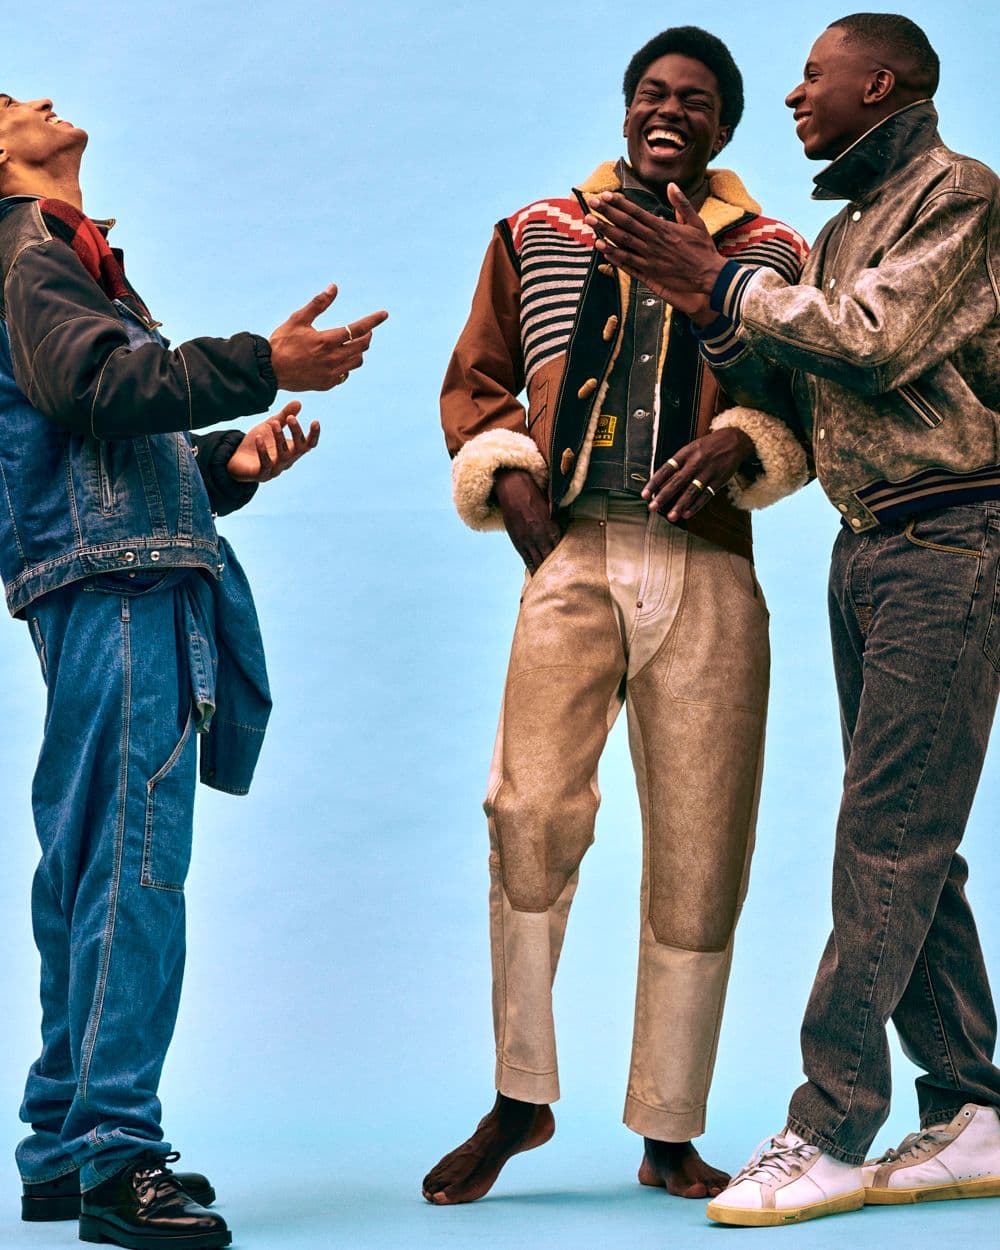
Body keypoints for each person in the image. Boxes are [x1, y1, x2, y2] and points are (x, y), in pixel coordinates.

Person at [584, 10, 1000, 1227]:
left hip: (951, 540)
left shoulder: (960, 194)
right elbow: (798, 382)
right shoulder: (839, 227)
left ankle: (827, 1128)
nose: (792, 94)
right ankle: (974, 1105)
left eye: (815, 74)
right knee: (912, 841)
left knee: (885, 838)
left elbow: (873, 339)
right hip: (869, 548)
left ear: (883, 83)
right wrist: (706, 303)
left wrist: (725, 279)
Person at [423, 26, 809, 1206]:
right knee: (527, 811)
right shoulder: (536, 230)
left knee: (703, 842)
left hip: (710, 567)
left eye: (694, 99)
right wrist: (511, 483)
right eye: (652, 92)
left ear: (723, 125)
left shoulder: (773, 253)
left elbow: (804, 398)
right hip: (573, 551)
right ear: (626, 106)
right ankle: (519, 1097)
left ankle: (669, 1126)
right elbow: (477, 379)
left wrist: (742, 439)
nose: (669, 110)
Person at [0, 92, 387, 1249]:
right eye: (12, 99)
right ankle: (119, 1155)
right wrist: (263, 362)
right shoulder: (32, 253)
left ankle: (62, 1142)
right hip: (122, 595)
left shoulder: (62, 260)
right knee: (131, 865)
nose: (41, 101)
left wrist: (225, 466)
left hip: (102, 582)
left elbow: (95, 435)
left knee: (86, 863)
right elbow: (93, 388)